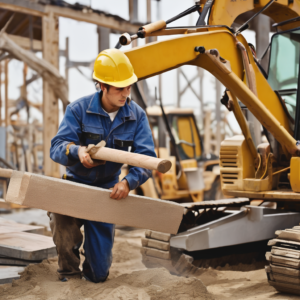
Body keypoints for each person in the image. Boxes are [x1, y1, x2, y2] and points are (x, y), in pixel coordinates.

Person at [49, 48, 156, 283]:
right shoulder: (77, 110)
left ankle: (92, 275)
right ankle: (69, 278)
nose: (125, 94)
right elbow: (56, 147)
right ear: (102, 86)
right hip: (75, 187)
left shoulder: (136, 115)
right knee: (65, 239)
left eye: (128, 87)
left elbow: (146, 158)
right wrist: (77, 152)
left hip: (108, 192)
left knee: (99, 274)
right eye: (120, 88)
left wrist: (128, 182)